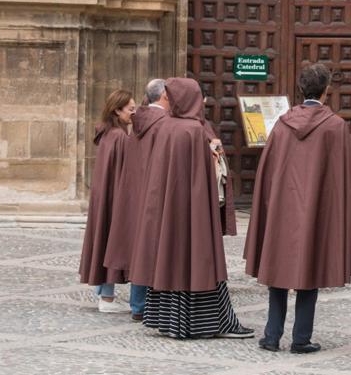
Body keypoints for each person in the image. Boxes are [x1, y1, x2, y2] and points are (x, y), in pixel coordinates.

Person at [244, 63, 351, 354]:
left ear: (301, 88)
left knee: (279, 268)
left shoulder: (282, 123)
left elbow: (268, 170)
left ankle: (271, 336)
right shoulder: (334, 126)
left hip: (283, 208)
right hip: (316, 211)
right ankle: (300, 339)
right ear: (326, 90)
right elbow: (347, 174)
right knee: (310, 269)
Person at [129, 77, 253, 339]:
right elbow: (200, 179)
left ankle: (170, 322)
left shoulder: (166, 127)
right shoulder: (193, 130)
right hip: (193, 212)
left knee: (171, 261)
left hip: (169, 211)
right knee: (200, 262)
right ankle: (208, 323)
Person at [103, 79, 169, 320]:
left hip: (136, 195)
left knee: (140, 248)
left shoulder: (136, 126)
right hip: (154, 194)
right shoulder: (163, 124)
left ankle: (138, 305)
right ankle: (144, 305)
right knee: (150, 248)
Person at [79, 89, 146, 315]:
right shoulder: (118, 137)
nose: (134, 113)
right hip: (114, 197)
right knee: (111, 240)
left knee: (105, 240)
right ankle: (106, 298)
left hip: (106, 196)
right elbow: (126, 172)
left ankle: (105, 295)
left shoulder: (110, 133)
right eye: (130, 109)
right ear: (117, 110)